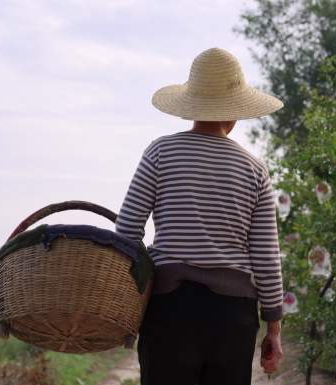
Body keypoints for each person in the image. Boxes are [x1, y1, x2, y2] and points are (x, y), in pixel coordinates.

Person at [114, 47, 285, 385]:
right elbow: (266, 258)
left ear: (189, 108)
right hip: (233, 317)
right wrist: (274, 327)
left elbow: (126, 234)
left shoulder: (160, 152)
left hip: (169, 310)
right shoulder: (255, 170)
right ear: (235, 114)